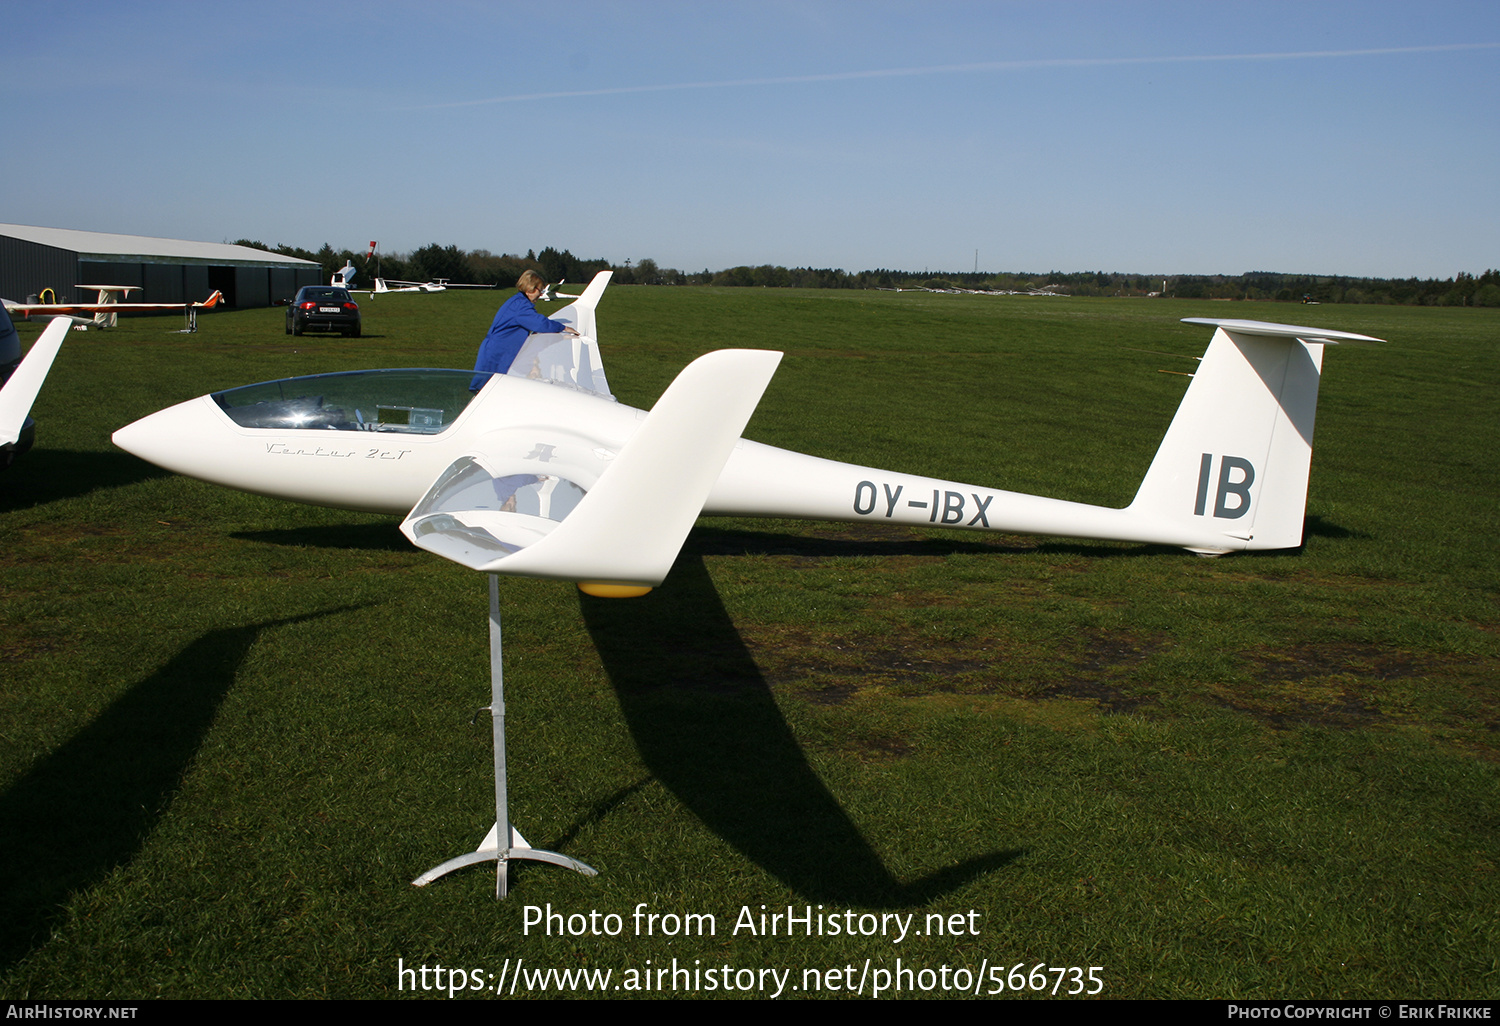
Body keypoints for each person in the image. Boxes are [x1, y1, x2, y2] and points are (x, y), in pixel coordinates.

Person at [469, 270, 577, 390]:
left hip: (498, 351)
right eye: (539, 290)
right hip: (497, 354)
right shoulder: (520, 307)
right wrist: (563, 327)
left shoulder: (518, 302)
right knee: (485, 389)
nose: (541, 294)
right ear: (531, 288)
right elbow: (539, 323)